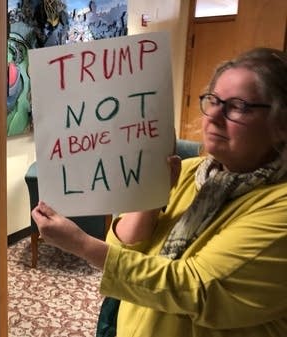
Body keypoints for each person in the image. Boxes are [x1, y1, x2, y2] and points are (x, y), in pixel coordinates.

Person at [31, 47, 287, 337]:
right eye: (213, 100)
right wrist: (151, 199)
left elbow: (194, 287)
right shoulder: (193, 171)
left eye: (238, 106)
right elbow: (122, 248)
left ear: (281, 125)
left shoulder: (279, 205)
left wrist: (82, 244)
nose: (214, 115)